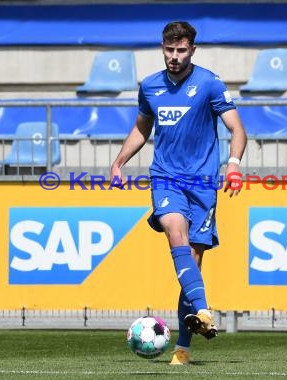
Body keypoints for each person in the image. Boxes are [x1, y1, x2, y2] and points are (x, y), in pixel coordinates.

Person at [110, 21, 247, 365]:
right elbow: (142, 129)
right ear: (162, 48)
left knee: (194, 263)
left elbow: (237, 129)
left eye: (181, 50)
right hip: (166, 178)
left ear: (192, 50)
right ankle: (203, 310)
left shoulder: (209, 83)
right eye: (169, 50)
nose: (174, 57)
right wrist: (119, 162)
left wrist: (233, 164)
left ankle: (183, 348)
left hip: (203, 183)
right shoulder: (151, 86)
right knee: (175, 233)